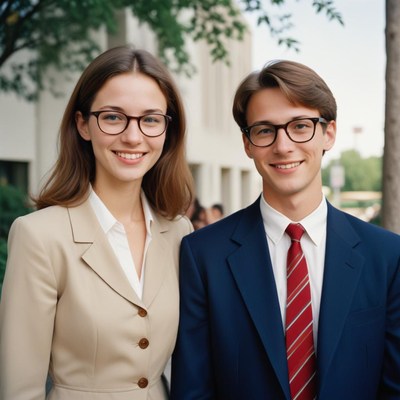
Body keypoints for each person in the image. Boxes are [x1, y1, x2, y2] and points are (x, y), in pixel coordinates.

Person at [171, 60, 400, 399]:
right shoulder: (203, 255)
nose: (283, 145)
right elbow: (193, 390)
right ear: (248, 144)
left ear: (329, 133)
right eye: (265, 130)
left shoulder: (387, 255)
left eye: (300, 126)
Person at [0, 45, 194, 399]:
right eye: (113, 116)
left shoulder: (179, 231)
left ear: (167, 130)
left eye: (150, 119)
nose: (133, 136)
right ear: (83, 124)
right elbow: (20, 390)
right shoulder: (39, 236)